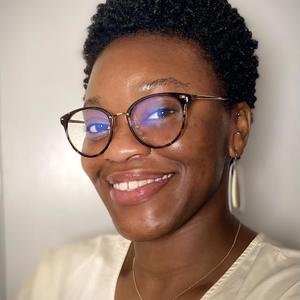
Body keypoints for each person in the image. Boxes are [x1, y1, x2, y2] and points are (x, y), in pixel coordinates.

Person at [19, 0, 300, 299]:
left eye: (160, 113)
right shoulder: (59, 279)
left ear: (237, 129)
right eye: (97, 125)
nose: (118, 150)